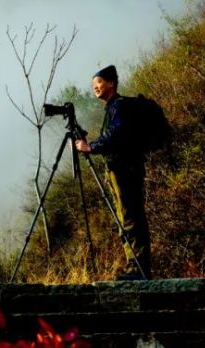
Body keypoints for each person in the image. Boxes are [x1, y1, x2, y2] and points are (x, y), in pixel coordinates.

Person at [74, 65, 152, 280]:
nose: (95, 88)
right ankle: (134, 267)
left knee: (130, 219)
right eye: (93, 85)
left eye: (98, 82)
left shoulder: (119, 106)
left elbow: (115, 135)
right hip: (120, 170)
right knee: (125, 219)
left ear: (111, 83)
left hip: (125, 170)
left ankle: (138, 270)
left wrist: (91, 147)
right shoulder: (113, 108)